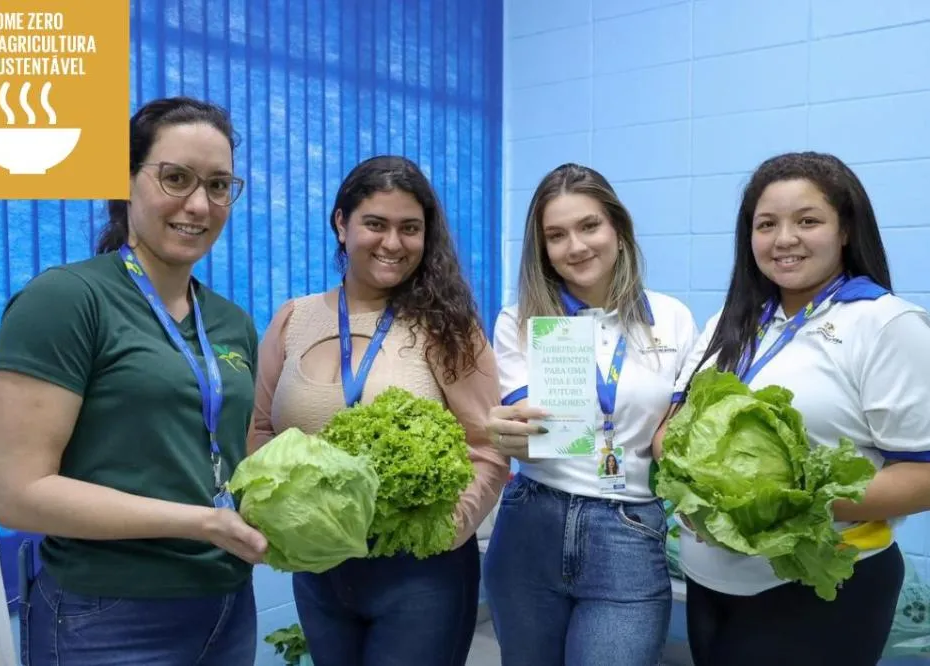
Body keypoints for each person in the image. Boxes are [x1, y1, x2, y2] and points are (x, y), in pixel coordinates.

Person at [0, 96, 266, 665]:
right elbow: (19, 496)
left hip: (227, 604)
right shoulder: (67, 299)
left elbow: (224, 456)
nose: (199, 204)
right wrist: (203, 523)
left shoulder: (231, 321)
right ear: (126, 180)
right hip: (110, 613)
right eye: (175, 178)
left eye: (218, 185)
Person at [655, 151, 930, 666]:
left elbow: (923, 474)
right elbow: (671, 430)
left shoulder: (886, 325)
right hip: (710, 583)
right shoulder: (730, 321)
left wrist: (783, 508)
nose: (784, 239)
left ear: (845, 229)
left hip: (821, 586)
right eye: (766, 224)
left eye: (808, 221)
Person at [249, 154, 509, 666]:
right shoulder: (293, 319)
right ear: (341, 224)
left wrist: (444, 530)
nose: (393, 243)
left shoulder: (448, 328)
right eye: (376, 224)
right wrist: (279, 520)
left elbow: (488, 448)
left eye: (409, 228)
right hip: (319, 568)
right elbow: (261, 430)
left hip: (419, 575)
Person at [483, 163, 699, 666]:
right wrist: (506, 432)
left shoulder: (671, 318)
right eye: (555, 236)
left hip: (628, 528)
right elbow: (532, 423)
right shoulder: (519, 321)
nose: (575, 247)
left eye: (589, 226)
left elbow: (675, 428)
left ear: (619, 231)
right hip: (531, 523)